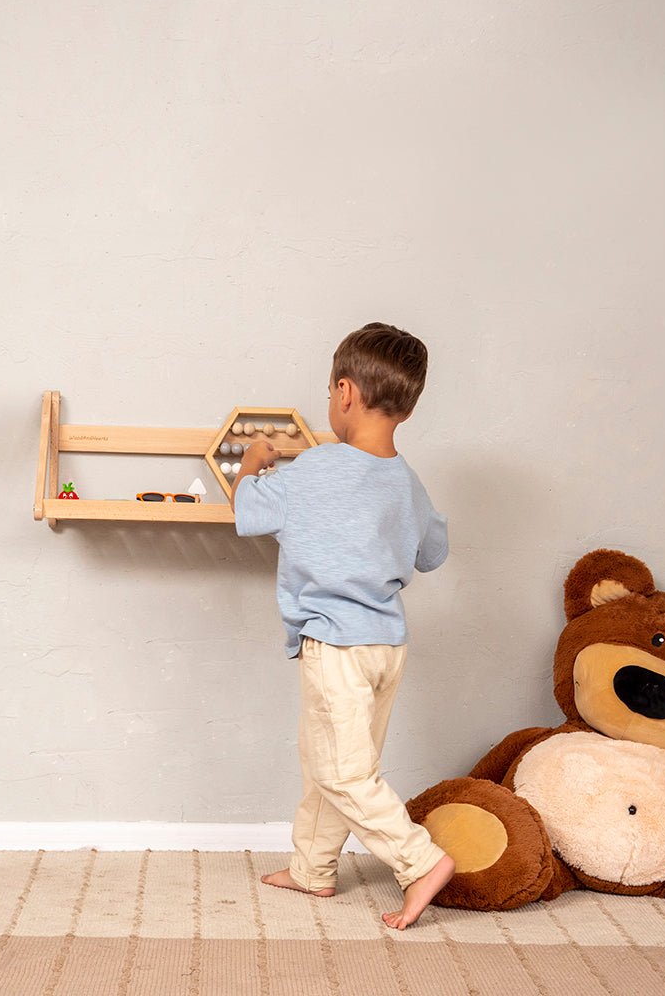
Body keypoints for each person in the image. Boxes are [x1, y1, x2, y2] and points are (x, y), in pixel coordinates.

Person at [230, 322, 454, 930]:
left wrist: (251, 464)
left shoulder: (317, 469)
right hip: (387, 645)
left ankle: (420, 861)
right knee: (325, 759)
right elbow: (433, 552)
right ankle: (312, 868)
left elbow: (249, 515)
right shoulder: (406, 481)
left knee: (341, 770)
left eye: (331, 391)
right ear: (405, 409)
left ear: (346, 392)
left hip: (335, 641)